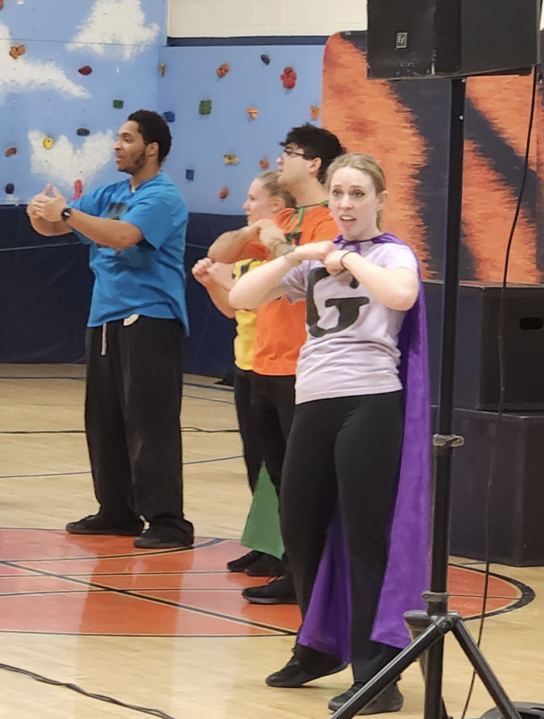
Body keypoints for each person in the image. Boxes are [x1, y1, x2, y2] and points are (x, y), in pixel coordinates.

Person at [228, 153, 432, 715]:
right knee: (299, 529)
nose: (345, 204)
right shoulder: (315, 260)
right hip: (314, 403)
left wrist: (349, 258)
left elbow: (401, 296)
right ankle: (317, 646)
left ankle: (378, 675)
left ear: (380, 200)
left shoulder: (391, 253)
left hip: (370, 403)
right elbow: (242, 298)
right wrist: (297, 254)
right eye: (338, 193)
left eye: (358, 194)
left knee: (365, 539)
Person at [27, 110, 194, 550]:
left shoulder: (163, 196)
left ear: (151, 148)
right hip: (104, 316)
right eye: (117, 138)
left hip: (150, 316)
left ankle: (168, 520)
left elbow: (122, 236)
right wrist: (40, 213)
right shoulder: (112, 193)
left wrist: (66, 212)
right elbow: (56, 226)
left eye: (127, 138)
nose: (117, 146)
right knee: (104, 420)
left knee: (149, 421)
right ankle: (116, 510)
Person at [209, 124, 345, 604]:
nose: (281, 160)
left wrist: (279, 245)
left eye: (290, 152)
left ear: (314, 164)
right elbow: (219, 253)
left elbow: (313, 279)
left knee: (304, 480)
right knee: (278, 475)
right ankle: (290, 565)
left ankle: (311, 575)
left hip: (300, 367)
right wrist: (255, 231)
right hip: (262, 364)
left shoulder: (330, 221)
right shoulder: (284, 216)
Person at [191, 170, 294, 577]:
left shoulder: (281, 255)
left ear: (276, 206)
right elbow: (234, 309)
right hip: (246, 366)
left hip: (274, 367)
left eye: (253, 199)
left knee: (278, 466)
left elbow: (253, 300)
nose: (245, 206)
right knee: (257, 461)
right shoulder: (248, 252)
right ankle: (265, 543)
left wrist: (228, 284)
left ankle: (286, 551)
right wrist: (212, 284)